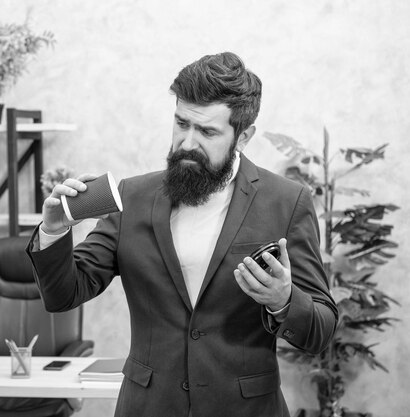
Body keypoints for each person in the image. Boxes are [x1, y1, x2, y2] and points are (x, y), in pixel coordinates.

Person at [26, 52, 338, 417]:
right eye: (181, 123)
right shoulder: (132, 197)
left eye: (207, 131)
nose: (188, 143)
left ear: (244, 136)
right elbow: (64, 294)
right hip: (148, 407)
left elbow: (321, 331)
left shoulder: (287, 202)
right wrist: (53, 231)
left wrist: (284, 299)